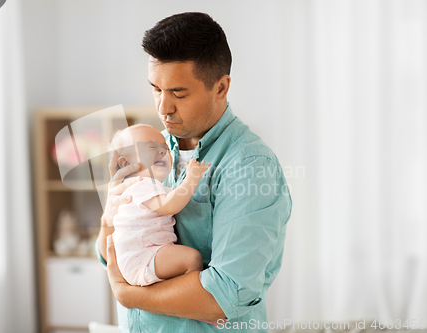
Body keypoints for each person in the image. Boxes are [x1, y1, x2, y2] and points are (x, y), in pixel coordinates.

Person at [96, 12, 292, 332]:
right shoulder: (150, 146)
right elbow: (110, 253)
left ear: (221, 87)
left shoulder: (250, 167)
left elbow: (223, 296)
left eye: (178, 93)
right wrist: (108, 217)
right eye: (156, 89)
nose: (163, 107)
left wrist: (129, 295)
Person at [108, 124, 210, 287]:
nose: (163, 151)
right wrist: (191, 179)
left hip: (148, 254)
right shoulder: (140, 185)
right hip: (143, 256)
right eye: (151, 147)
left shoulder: (150, 186)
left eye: (165, 148)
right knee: (192, 259)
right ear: (126, 163)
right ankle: (188, 294)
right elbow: (171, 205)